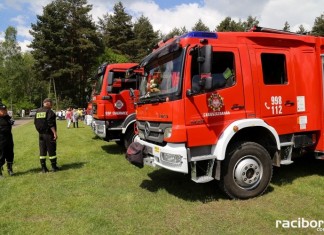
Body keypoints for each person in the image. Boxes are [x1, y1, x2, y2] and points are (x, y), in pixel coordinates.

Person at [34, 98, 59, 173]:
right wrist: (54, 132)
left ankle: (43, 168)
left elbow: (35, 122)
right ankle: (54, 167)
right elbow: (50, 123)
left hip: (41, 134)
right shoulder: (49, 112)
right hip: (48, 134)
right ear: (48, 103)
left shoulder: (38, 111)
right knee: (51, 150)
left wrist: (39, 131)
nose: (52, 105)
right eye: (51, 103)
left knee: (42, 151)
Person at [0, 101, 15, 177]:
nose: (4, 111)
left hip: (9, 139)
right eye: (2, 110)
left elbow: (11, 124)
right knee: (1, 155)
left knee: (10, 154)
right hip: (1, 140)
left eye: (5, 110)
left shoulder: (7, 118)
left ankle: (10, 169)